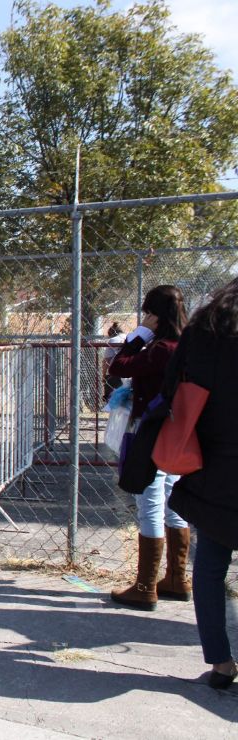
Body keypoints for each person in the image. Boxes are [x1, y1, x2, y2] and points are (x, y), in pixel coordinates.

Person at [165, 277, 238, 690]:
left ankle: (221, 663)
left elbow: (172, 387)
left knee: (210, 569)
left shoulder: (205, 328)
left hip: (211, 462)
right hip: (216, 462)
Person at [107, 286, 189, 610]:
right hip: (177, 431)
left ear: (157, 315)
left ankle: (145, 587)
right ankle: (176, 578)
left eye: (148, 314)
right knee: (173, 499)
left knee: (150, 502)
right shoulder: (186, 345)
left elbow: (119, 366)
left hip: (154, 431)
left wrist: (138, 335)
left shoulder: (161, 349)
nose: (145, 319)